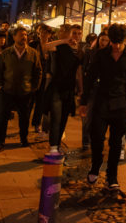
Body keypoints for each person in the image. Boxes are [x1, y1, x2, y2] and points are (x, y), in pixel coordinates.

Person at [79, 24, 126, 194]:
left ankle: (112, 177)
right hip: (101, 101)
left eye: (118, 42)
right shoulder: (101, 55)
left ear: (124, 40)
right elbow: (90, 78)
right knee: (97, 137)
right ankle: (95, 165)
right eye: (113, 42)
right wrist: (83, 102)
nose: (115, 46)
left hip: (120, 103)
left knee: (116, 143)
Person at [0, 26, 43, 153]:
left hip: (25, 91)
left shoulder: (33, 53)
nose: (24, 37)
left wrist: (34, 87)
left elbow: (38, 71)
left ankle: (23, 139)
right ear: (14, 37)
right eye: (21, 35)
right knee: (2, 118)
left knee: (24, 118)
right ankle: (0, 142)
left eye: (25, 35)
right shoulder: (6, 53)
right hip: (7, 90)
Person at [46, 24, 82, 156]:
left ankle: (57, 144)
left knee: (63, 119)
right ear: (69, 34)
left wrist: (80, 90)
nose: (76, 36)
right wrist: (64, 40)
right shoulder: (61, 47)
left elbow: (79, 72)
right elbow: (46, 46)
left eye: (79, 33)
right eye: (74, 33)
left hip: (69, 89)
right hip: (57, 87)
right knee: (56, 117)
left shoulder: (80, 51)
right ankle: (53, 147)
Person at [80, 31, 109, 151]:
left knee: (100, 116)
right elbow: (84, 69)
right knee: (88, 115)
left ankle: (96, 138)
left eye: (107, 40)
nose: (104, 43)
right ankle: (86, 139)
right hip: (92, 87)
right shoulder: (91, 52)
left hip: (103, 88)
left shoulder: (109, 54)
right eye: (102, 40)